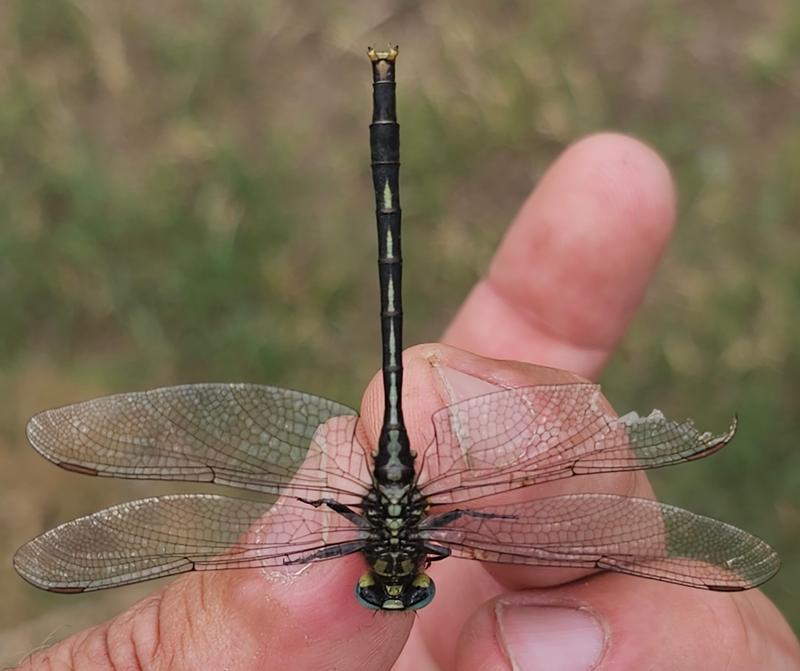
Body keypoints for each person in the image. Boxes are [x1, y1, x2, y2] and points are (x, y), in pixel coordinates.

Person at [15, 133, 799, 670]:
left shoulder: (353, 529)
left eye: (392, 586)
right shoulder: (433, 525)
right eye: (407, 585)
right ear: (427, 565)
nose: (395, 586)